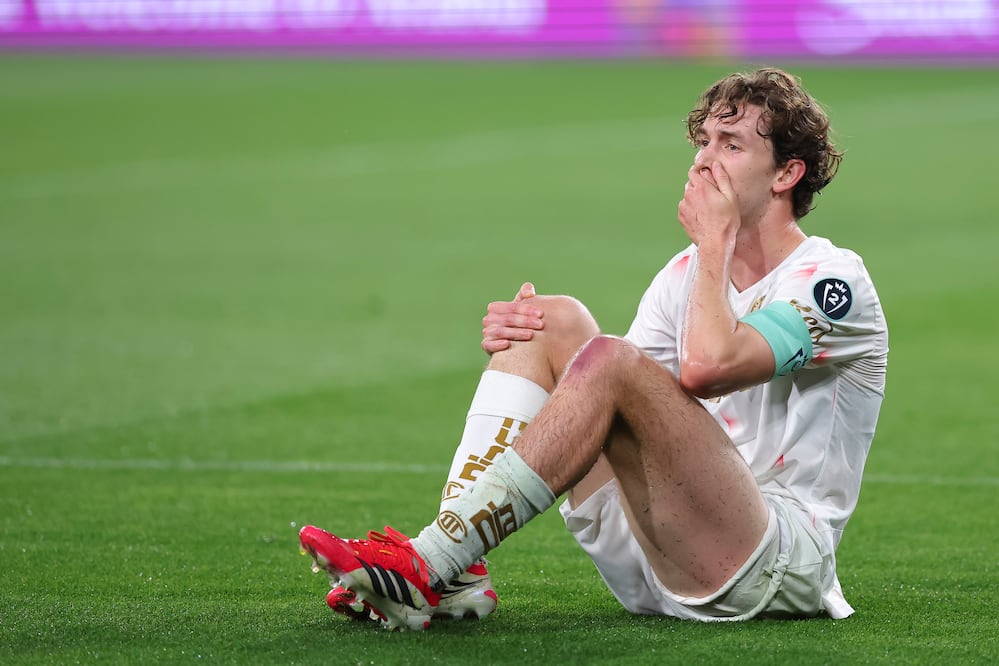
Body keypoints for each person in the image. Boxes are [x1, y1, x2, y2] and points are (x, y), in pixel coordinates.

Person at [299, 67, 889, 631]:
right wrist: (525, 350)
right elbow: (615, 403)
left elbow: (709, 368)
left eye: (731, 146)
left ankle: (425, 563)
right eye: (703, 141)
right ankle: (455, 570)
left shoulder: (831, 283)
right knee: (548, 321)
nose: (704, 160)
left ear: (786, 174)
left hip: (771, 564)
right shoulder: (684, 274)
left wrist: (716, 241)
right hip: (659, 550)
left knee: (607, 359)